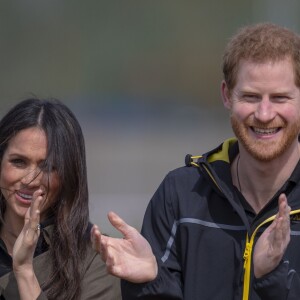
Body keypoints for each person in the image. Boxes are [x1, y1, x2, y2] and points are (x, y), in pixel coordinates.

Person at [91, 22, 300, 299]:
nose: (264, 113)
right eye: (250, 96)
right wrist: (150, 281)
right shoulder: (180, 196)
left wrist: (270, 280)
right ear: (227, 95)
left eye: (279, 98)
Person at [0, 98, 121, 299]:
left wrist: (24, 272)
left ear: (68, 175)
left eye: (47, 167)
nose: (30, 180)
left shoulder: (96, 260)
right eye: (18, 162)